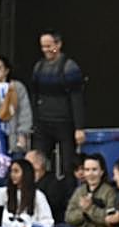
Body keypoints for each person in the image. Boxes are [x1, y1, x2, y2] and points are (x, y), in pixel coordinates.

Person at [30, 32, 85, 177]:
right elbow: (34, 95)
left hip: (65, 122)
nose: (46, 50)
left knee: (68, 165)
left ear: (58, 45)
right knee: (38, 162)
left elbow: (77, 97)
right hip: (43, 122)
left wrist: (79, 127)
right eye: (43, 47)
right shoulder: (39, 67)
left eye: (49, 46)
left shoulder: (69, 67)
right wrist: (35, 121)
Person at [65, 153, 119, 227]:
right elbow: (68, 217)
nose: (90, 173)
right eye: (87, 170)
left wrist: (90, 208)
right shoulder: (79, 191)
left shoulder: (109, 192)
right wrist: (83, 212)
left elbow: (110, 219)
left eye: (94, 170)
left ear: (101, 172)